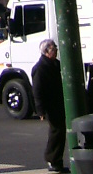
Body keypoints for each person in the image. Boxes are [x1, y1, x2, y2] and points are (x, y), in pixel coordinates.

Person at [31, 40, 67, 174]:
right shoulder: (40, 68)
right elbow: (37, 91)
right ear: (46, 52)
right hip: (51, 104)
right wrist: (41, 110)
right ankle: (52, 159)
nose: (56, 50)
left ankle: (57, 160)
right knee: (56, 132)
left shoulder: (55, 64)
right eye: (53, 49)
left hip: (59, 102)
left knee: (60, 131)